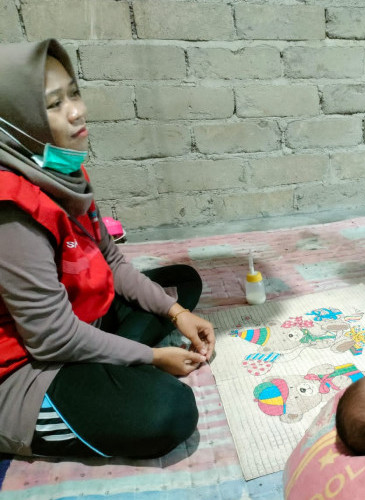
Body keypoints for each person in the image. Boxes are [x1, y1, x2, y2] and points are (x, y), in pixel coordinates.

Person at [0, 39, 215, 459]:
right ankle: (103, 374)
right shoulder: (10, 210)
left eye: (74, 93)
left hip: (78, 318)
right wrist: (151, 357)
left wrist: (177, 314)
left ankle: (110, 357)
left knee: (180, 284)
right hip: (28, 368)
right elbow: (51, 337)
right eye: (54, 104)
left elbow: (109, 259)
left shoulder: (60, 170)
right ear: (17, 119)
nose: (77, 111)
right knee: (169, 411)